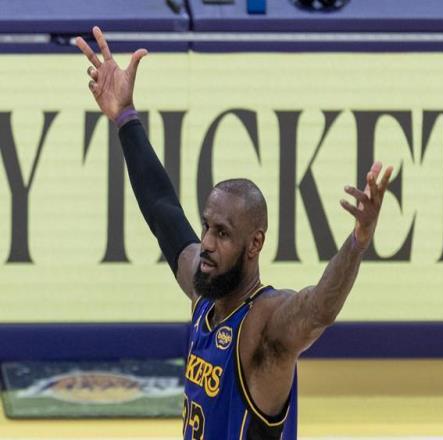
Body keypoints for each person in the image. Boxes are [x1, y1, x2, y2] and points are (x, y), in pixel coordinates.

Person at [76, 26, 393, 440]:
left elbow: (318, 309)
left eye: (223, 234)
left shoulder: (265, 326)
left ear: (254, 243)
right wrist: (125, 118)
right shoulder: (204, 296)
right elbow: (162, 211)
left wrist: (358, 242)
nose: (207, 243)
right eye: (207, 227)